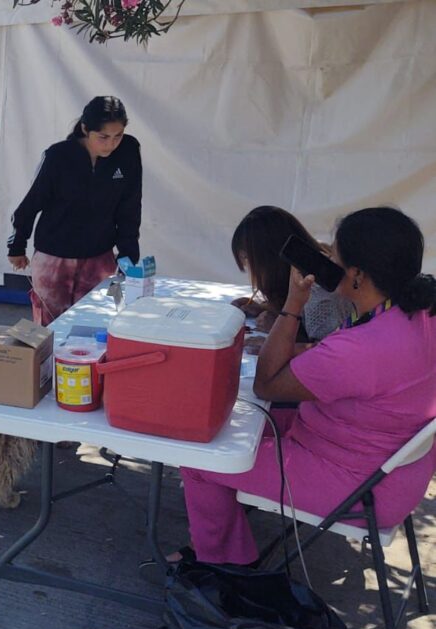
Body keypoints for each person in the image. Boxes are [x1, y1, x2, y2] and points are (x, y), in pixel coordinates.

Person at [175, 207, 436, 566]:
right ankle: (221, 536)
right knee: (235, 424)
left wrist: (294, 302)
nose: (329, 261)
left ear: (357, 275)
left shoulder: (359, 349)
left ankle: (223, 568)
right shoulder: (419, 311)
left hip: (358, 486)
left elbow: (267, 383)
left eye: (336, 257)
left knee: (198, 459)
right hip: (391, 467)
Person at [7, 96, 142, 326]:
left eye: (117, 136)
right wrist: (17, 245)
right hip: (54, 259)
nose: (111, 144)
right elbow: (32, 202)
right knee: (51, 330)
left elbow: (130, 206)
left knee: (97, 325)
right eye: (103, 137)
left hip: (100, 259)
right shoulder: (58, 156)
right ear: (84, 129)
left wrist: (128, 255)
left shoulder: (128, 151)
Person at [230, 205, 352, 349]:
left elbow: (329, 351)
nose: (248, 268)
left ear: (269, 259)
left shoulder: (318, 291)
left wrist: (278, 340)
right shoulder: (314, 262)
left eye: (246, 259)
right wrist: (265, 308)